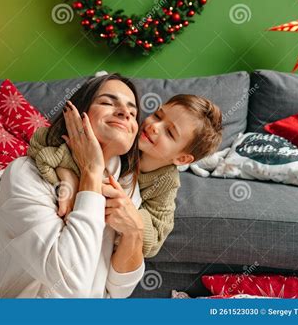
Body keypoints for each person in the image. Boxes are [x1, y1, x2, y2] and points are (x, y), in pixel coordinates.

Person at [0, 73, 145, 298]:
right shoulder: (26, 173)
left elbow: (120, 290)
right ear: (75, 115)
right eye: (106, 102)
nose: (124, 112)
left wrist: (134, 232)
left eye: (132, 113)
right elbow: (72, 285)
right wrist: (90, 172)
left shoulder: (125, 184)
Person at [29, 94, 223, 257]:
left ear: (181, 159)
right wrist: (68, 177)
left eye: (170, 132)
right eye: (157, 115)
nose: (155, 126)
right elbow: (41, 140)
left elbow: (154, 240)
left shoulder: (166, 182)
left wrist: (128, 211)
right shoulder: (126, 137)